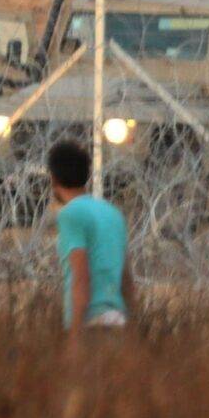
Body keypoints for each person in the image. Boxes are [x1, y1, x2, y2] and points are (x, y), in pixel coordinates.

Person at [46, 139, 130, 333]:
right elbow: (126, 279)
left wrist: (74, 336)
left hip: (92, 323)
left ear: (53, 178)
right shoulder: (112, 212)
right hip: (118, 319)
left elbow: (81, 277)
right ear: (87, 175)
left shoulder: (70, 214)